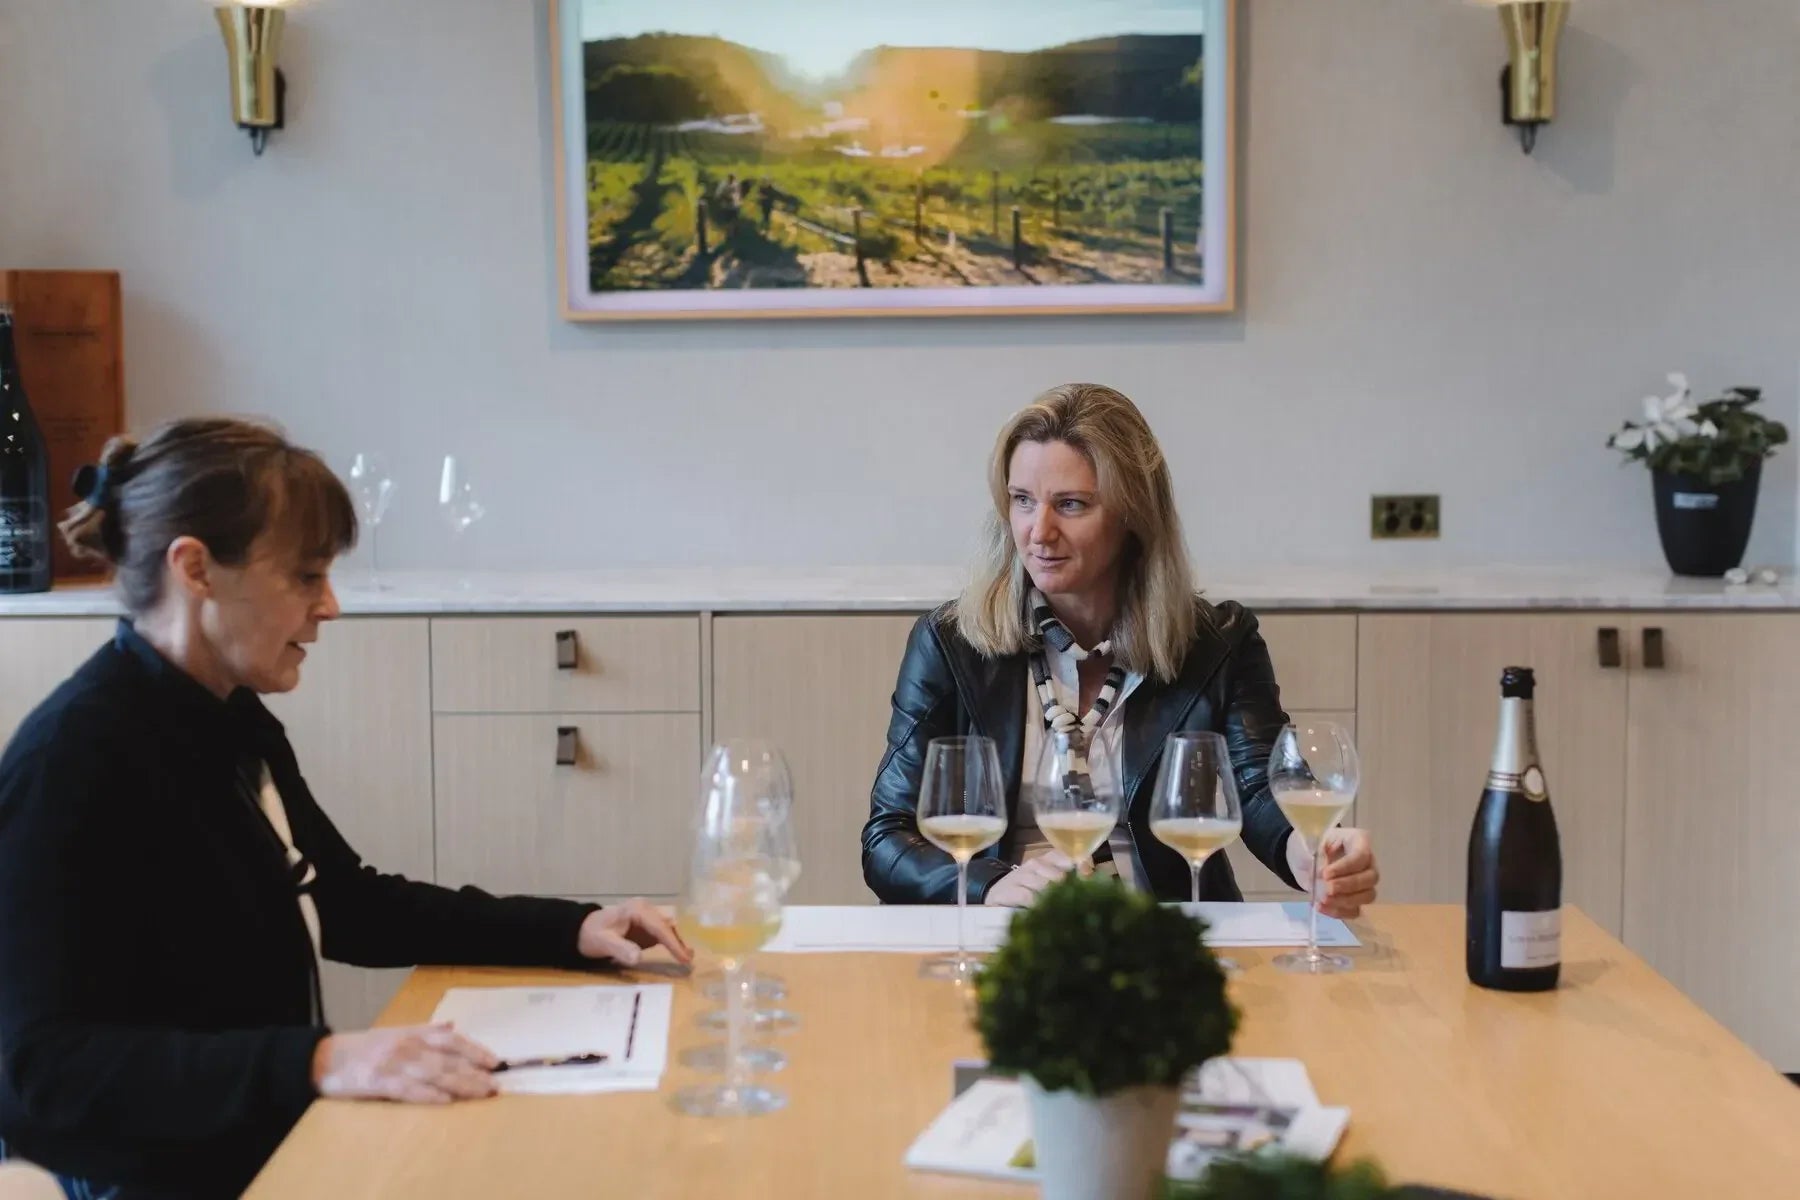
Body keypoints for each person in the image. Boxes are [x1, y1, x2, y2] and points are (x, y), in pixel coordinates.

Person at [0, 418, 694, 1200]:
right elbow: (34, 1080)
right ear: (195, 568)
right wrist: (323, 1060)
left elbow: (345, 901)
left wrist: (567, 927)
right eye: (305, 577)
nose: (330, 607)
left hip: (277, 1147)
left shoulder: (229, 717)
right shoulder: (73, 759)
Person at [862, 383, 1382, 911]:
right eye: (1022, 501)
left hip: (1162, 933)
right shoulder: (951, 641)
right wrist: (990, 884)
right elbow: (888, 838)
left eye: (1070, 504)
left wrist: (1310, 854)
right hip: (1006, 932)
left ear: (1132, 514)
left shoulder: (1218, 641)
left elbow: (1262, 786)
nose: (1039, 532)